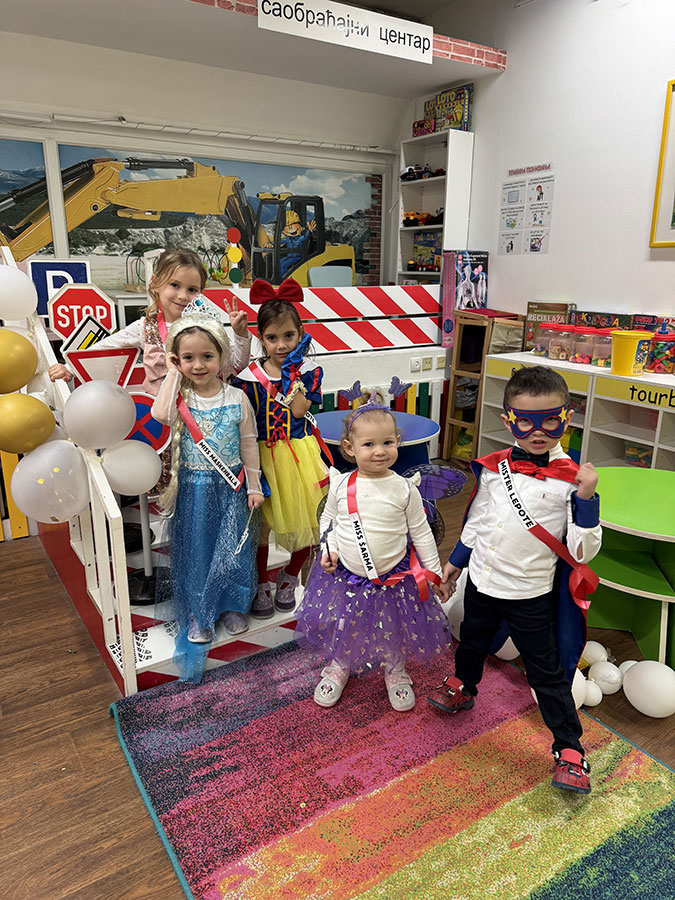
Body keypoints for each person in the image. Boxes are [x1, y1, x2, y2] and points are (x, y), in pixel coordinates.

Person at [427, 365, 602, 794]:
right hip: (483, 583)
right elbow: (479, 522)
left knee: (545, 671)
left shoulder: (572, 481)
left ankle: (569, 747)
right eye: (525, 421)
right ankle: (465, 685)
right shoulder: (494, 468)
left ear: (568, 418)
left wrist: (586, 500)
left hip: (529, 594)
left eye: (550, 420)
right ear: (508, 420)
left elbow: (582, 553)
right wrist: (455, 563)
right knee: (471, 641)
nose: (537, 431)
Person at [295, 391, 451, 712]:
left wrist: (434, 574)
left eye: (387, 443)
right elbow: (329, 520)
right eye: (369, 444)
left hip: (395, 578)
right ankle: (339, 666)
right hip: (348, 576)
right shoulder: (341, 485)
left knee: (393, 626)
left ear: (397, 442)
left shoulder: (405, 488)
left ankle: (395, 669)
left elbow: (421, 532)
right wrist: (329, 549)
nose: (379, 451)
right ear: (349, 448)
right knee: (345, 623)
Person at [151, 313, 264, 682]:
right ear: (177, 359)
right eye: (188, 358)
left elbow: (249, 444)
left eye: (207, 356)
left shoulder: (237, 397)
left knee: (233, 550)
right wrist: (172, 372)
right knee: (199, 552)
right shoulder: (180, 398)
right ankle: (199, 612)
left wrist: (253, 485)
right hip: (195, 489)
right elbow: (160, 414)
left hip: (232, 487)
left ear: (221, 357)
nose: (198, 365)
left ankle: (231, 605)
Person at [232, 278, 328, 619]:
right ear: (261, 338)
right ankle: (261, 582)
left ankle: (289, 576)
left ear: (301, 334)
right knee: (261, 527)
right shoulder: (247, 377)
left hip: (298, 455)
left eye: (289, 336)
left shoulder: (308, 373)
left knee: (308, 520)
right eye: (272, 338)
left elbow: (299, 410)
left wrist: (291, 372)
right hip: (259, 457)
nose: (281, 344)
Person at [48, 246, 251, 395]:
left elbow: (236, 364)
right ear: (155, 283)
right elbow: (104, 347)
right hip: (162, 420)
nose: (182, 296)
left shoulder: (208, 328)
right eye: (175, 285)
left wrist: (240, 334)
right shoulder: (145, 327)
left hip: (204, 417)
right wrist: (69, 367)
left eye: (192, 289)